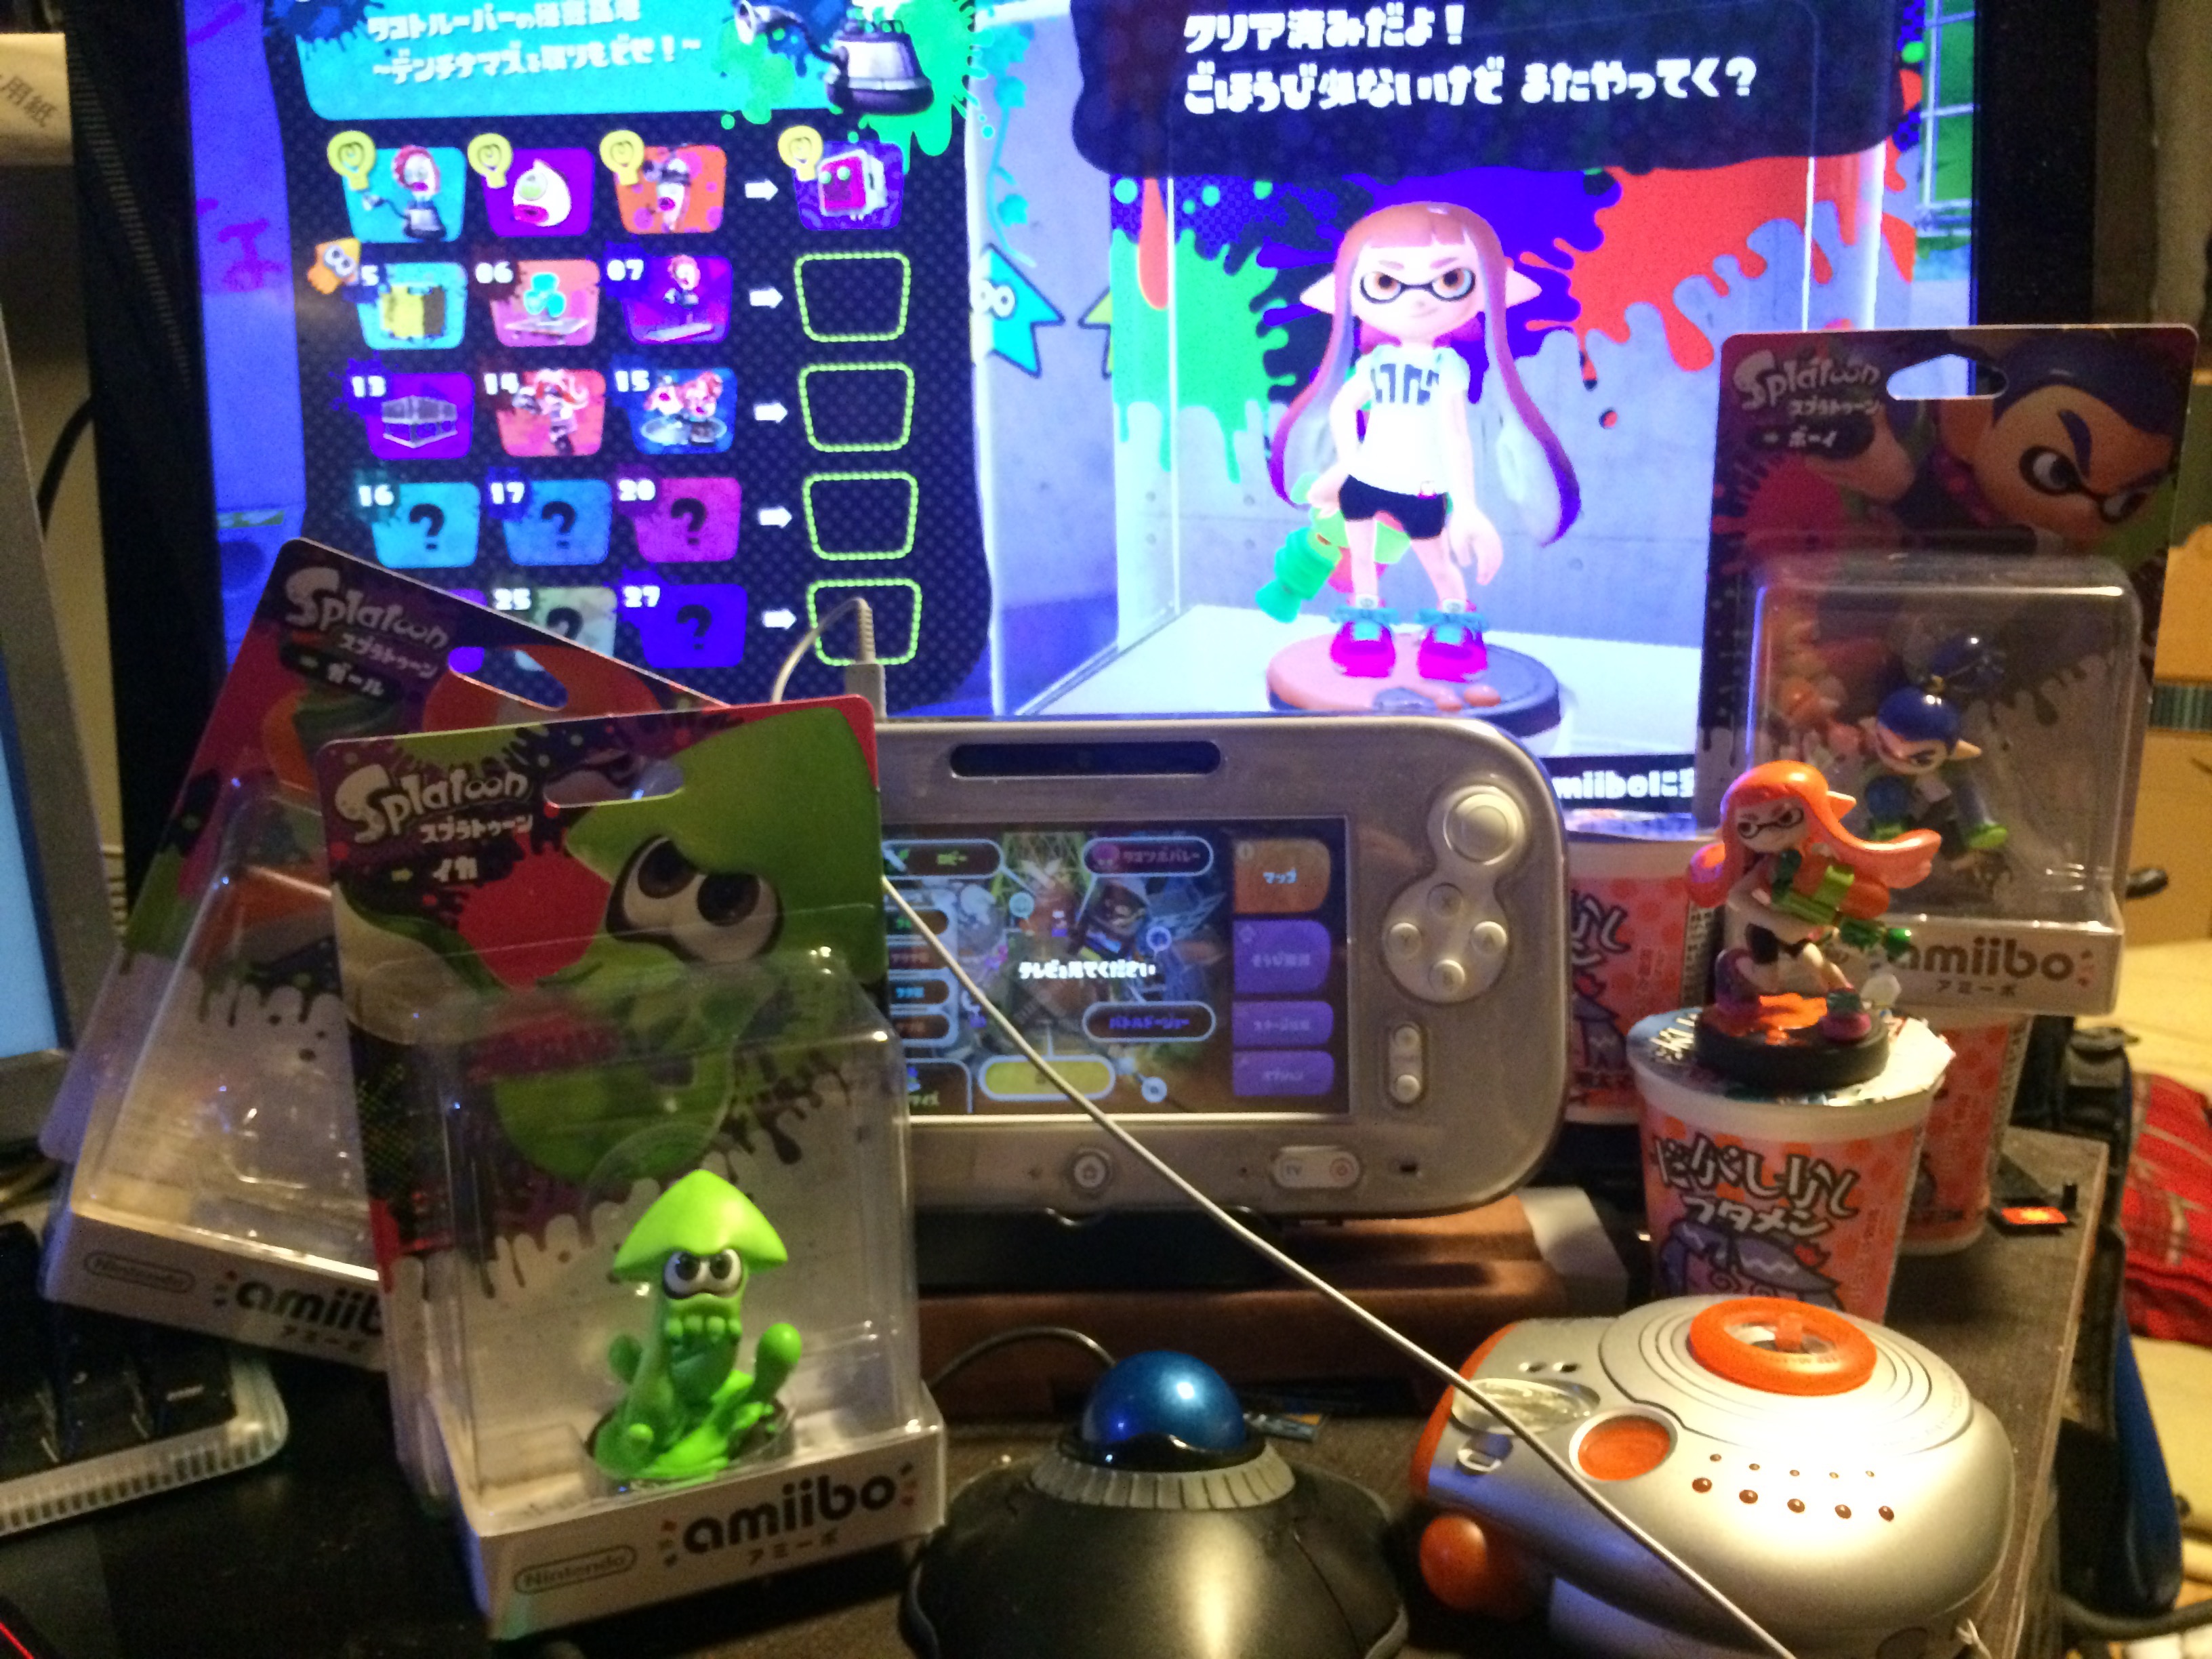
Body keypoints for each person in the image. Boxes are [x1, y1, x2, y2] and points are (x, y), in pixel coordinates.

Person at [1268, 201, 1578, 681]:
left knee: (1438, 562)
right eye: (1386, 282)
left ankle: (1453, 623)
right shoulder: (1373, 364)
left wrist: (1467, 507)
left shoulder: (1445, 366)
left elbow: (1456, 436)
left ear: (1486, 289)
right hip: (1366, 482)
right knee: (1362, 558)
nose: (1416, 301)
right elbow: (1342, 408)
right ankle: (1366, 624)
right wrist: (1350, 462)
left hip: (1422, 488)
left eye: (1449, 280)